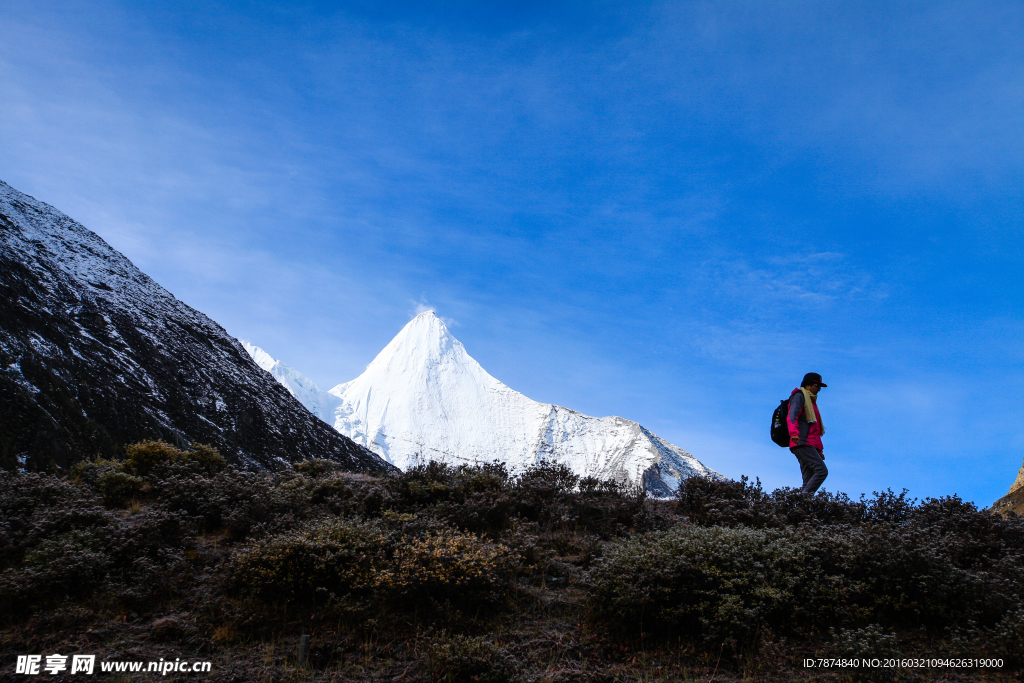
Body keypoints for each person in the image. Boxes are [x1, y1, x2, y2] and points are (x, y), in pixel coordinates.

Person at [787, 372, 828, 494]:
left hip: (807, 443)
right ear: (808, 385)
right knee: (821, 471)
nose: (819, 389)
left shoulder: (812, 402)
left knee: (808, 478)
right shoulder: (799, 396)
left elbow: (814, 430)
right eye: (817, 385)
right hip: (801, 442)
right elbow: (792, 416)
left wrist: (819, 451)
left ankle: (802, 508)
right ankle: (805, 501)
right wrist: (794, 433)